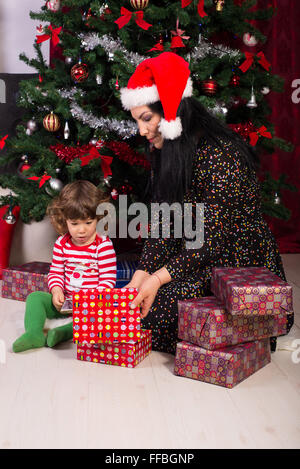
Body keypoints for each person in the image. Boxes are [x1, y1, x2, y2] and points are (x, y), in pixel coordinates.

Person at [120, 52, 293, 355]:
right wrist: (141, 276)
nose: (142, 131)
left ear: (173, 112)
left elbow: (210, 241)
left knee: (156, 308)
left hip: (233, 259)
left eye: (146, 118)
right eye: (137, 121)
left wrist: (158, 279)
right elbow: (163, 223)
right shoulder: (166, 150)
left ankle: (250, 331)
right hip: (191, 253)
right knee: (136, 302)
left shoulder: (219, 153)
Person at [12, 180, 117, 353]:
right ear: (64, 220)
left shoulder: (103, 245)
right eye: (74, 224)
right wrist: (57, 291)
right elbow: (56, 273)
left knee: (103, 315)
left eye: (88, 222)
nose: (81, 230)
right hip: (65, 302)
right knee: (35, 298)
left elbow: (107, 281)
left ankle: (63, 333)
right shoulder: (62, 243)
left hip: (90, 305)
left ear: (98, 218)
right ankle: (34, 333)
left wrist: (88, 301)